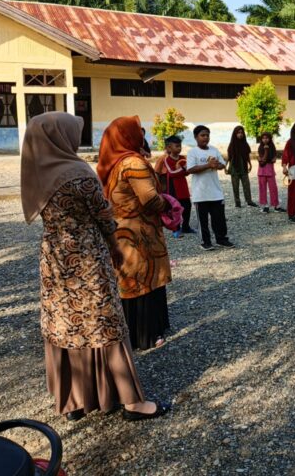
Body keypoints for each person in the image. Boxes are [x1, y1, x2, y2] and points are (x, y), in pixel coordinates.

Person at [22, 112, 169, 422]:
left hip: (54, 257)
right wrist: (115, 250)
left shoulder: (36, 171)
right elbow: (104, 217)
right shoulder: (77, 172)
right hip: (87, 256)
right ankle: (131, 402)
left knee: (66, 323)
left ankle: (74, 400)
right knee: (104, 320)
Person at [98, 116, 173, 351]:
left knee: (130, 280)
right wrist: (168, 203)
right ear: (128, 136)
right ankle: (146, 334)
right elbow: (149, 199)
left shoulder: (114, 162)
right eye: (138, 131)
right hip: (139, 233)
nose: (142, 135)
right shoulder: (133, 163)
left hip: (121, 231)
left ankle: (132, 330)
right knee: (143, 279)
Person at [186, 125, 235, 250]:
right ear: (196, 137)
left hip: (215, 191)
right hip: (200, 193)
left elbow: (222, 164)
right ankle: (205, 242)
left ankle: (221, 239)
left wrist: (217, 165)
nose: (205, 138)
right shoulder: (192, 152)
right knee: (203, 221)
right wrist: (208, 165)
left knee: (219, 218)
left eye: (207, 135)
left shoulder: (214, 150)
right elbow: (190, 169)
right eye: (202, 135)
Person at [154, 135, 196, 237]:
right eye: (177, 146)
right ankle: (176, 229)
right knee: (175, 208)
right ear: (168, 147)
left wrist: (185, 170)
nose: (179, 148)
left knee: (187, 206)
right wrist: (184, 169)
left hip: (183, 186)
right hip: (172, 186)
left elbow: (187, 172)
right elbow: (171, 173)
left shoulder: (183, 158)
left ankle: (186, 226)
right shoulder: (166, 159)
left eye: (180, 146)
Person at [227, 125, 257, 208]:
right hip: (234, 168)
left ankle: (249, 201)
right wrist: (226, 167)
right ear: (235, 134)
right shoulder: (232, 145)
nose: (240, 134)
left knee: (246, 185)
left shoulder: (245, 144)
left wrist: (250, 164)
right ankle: (237, 202)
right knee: (235, 186)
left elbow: (247, 156)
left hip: (243, 167)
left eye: (241, 133)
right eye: (238, 133)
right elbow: (229, 157)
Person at [257, 132, 285, 213]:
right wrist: (266, 150)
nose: (265, 139)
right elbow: (263, 159)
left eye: (267, 138)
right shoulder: (260, 148)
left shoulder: (272, 147)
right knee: (262, 189)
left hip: (270, 171)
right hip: (262, 171)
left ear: (270, 139)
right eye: (263, 138)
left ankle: (276, 206)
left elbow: (273, 159)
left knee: (273, 188)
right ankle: (265, 206)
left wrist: (271, 158)